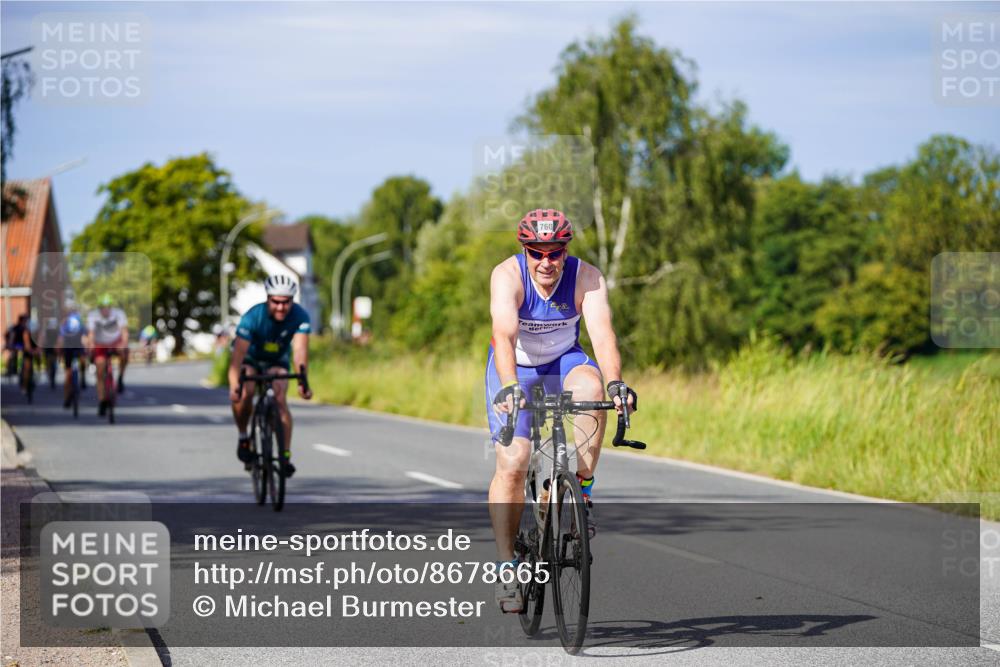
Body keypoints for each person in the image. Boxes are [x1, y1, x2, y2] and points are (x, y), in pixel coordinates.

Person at [486, 208, 637, 613]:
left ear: (566, 251)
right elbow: (503, 334)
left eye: (555, 252)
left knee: (591, 390)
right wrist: (510, 387)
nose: (547, 261)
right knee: (513, 462)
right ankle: (507, 567)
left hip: (564, 360)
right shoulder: (508, 275)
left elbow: (603, 335)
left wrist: (616, 383)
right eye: (537, 252)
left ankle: (580, 491)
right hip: (514, 368)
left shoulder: (588, 277)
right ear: (525, 250)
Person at [228, 275, 312, 478]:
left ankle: (284, 455)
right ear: (268, 299)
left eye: (286, 302)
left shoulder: (300, 316)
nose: (281, 307)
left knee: (280, 396)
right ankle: (243, 437)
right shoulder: (253, 317)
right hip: (251, 358)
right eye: (276, 302)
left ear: (292, 300)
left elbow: (300, 351)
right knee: (245, 391)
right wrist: (234, 386)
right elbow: (238, 356)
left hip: (276, 360)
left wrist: (303, 381)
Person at [85, 294, 129, 415]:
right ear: (99, 308)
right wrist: (91, 345)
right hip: (100, 343)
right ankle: (102, 400)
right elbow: (91, 334)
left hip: (115, 341)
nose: (106, 310)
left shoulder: (119, 314)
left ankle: (120, 378)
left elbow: (124, 332)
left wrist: (124, 343)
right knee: (100, 368)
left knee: (124, 352)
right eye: (103, 307)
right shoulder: (93, 315)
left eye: (108, 307)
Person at [57, 301, 88, 407]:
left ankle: (82, 377)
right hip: (71, 347)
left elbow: (84, 335)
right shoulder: (67, 321)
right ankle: (67, 398)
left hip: (74, 346)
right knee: (68, 374)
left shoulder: (74, 320)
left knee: (70, 373)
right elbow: (61, 338)